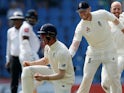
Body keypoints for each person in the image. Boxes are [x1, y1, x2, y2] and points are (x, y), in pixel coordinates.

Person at [69, 1, 124, 93]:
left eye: (84, 11)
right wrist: (69, 55)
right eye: (80, 12)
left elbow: (115, 20)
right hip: (93, 53)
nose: (82, 14)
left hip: (109, 51)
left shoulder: (101, 14)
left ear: (89, 9)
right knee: (87, 77)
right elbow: (75, 44)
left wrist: (122, 29)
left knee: (114, 78)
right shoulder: (80, 27)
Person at [21, 23, 75, 93]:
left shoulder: (62, 51)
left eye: (43, 35)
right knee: (27, 70)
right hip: (54, 72)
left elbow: (61, 75)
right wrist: (30, 64)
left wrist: (44, 77)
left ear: (50, 36)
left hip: (64, 80)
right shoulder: (48, 46)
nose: (41, 38)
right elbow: (46, 61)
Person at [101, 1, 124, 93]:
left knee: (114, 76)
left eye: (119, 9)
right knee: (105, 83)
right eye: (114, 9)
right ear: (110, 10)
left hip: (122, 54)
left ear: (121, 10)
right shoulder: (105, 21)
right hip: (108, 55)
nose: (117, 11)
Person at [19, 9, 40, 93]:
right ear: (27, 18)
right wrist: (31, 56)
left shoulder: (28, 27)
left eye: (34, 19)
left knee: (31, 78)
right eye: (31, 18)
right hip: (28, 56)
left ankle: (26, 90)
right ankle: (24, 91)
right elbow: (25, 41)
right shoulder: (26, 27)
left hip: (28, 55)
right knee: (38, 78)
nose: (33, 20)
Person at [5, 11, 24, 93]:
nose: (16, 21)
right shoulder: (10, 31)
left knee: (25, 79)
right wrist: (8, 60)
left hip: (24, 58)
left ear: (21, 21)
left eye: (18, 20)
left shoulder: (25, 30)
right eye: (15, 20)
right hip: (14, 58)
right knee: (14, 80)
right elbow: (8, 45)